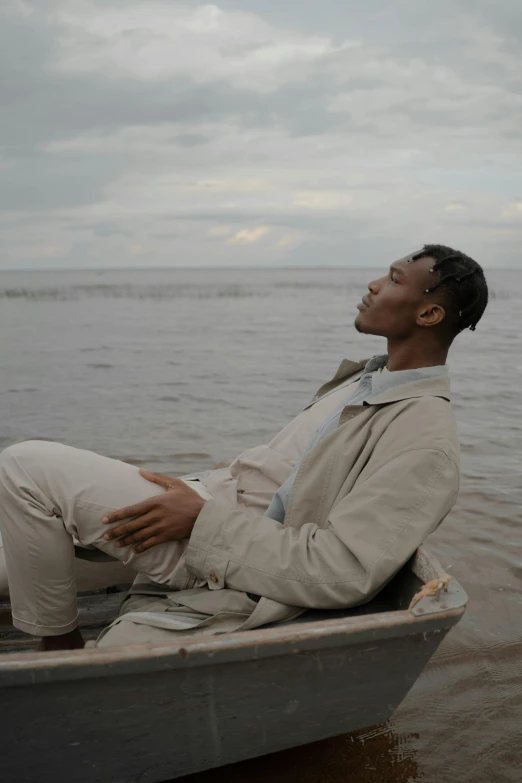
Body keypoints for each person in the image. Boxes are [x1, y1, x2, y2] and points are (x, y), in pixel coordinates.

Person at [0, 245, 489, 651]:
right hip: (213, 500)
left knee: (24, 467)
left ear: (429, 313)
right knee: (11, 553)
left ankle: (59, 648)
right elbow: (306, 471)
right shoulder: (371, 379)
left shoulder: (424, 436)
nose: (373, 285)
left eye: (394, 280)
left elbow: (345, 571)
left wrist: (201, 520)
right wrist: (242, 472)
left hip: (218, 541)